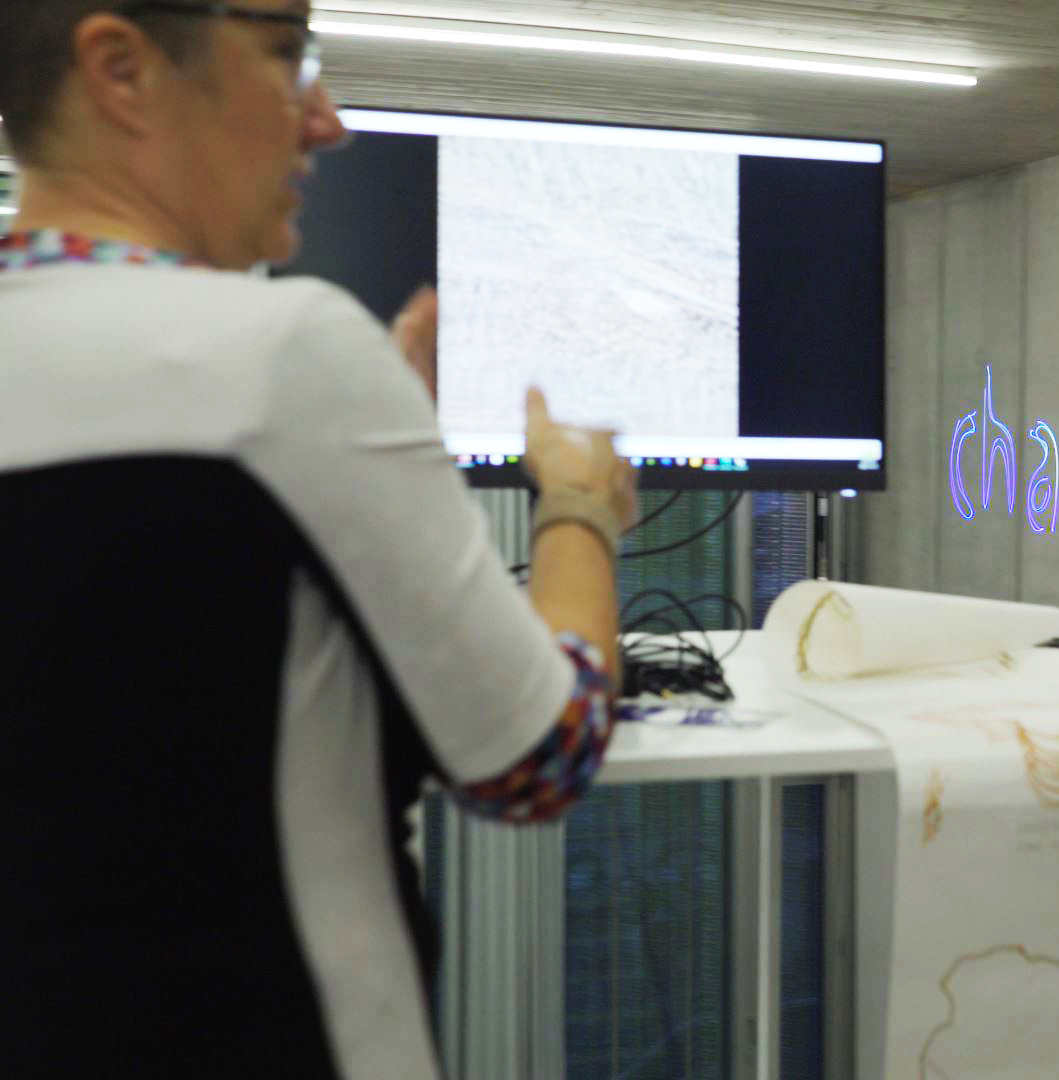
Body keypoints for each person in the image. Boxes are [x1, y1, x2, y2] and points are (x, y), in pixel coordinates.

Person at [0, 2, 637, 1076]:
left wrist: (366, 462)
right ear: (121, 68)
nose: (326, 121)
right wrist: (576, 508)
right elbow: (541, 756)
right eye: (287, 52)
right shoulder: (286, 354)